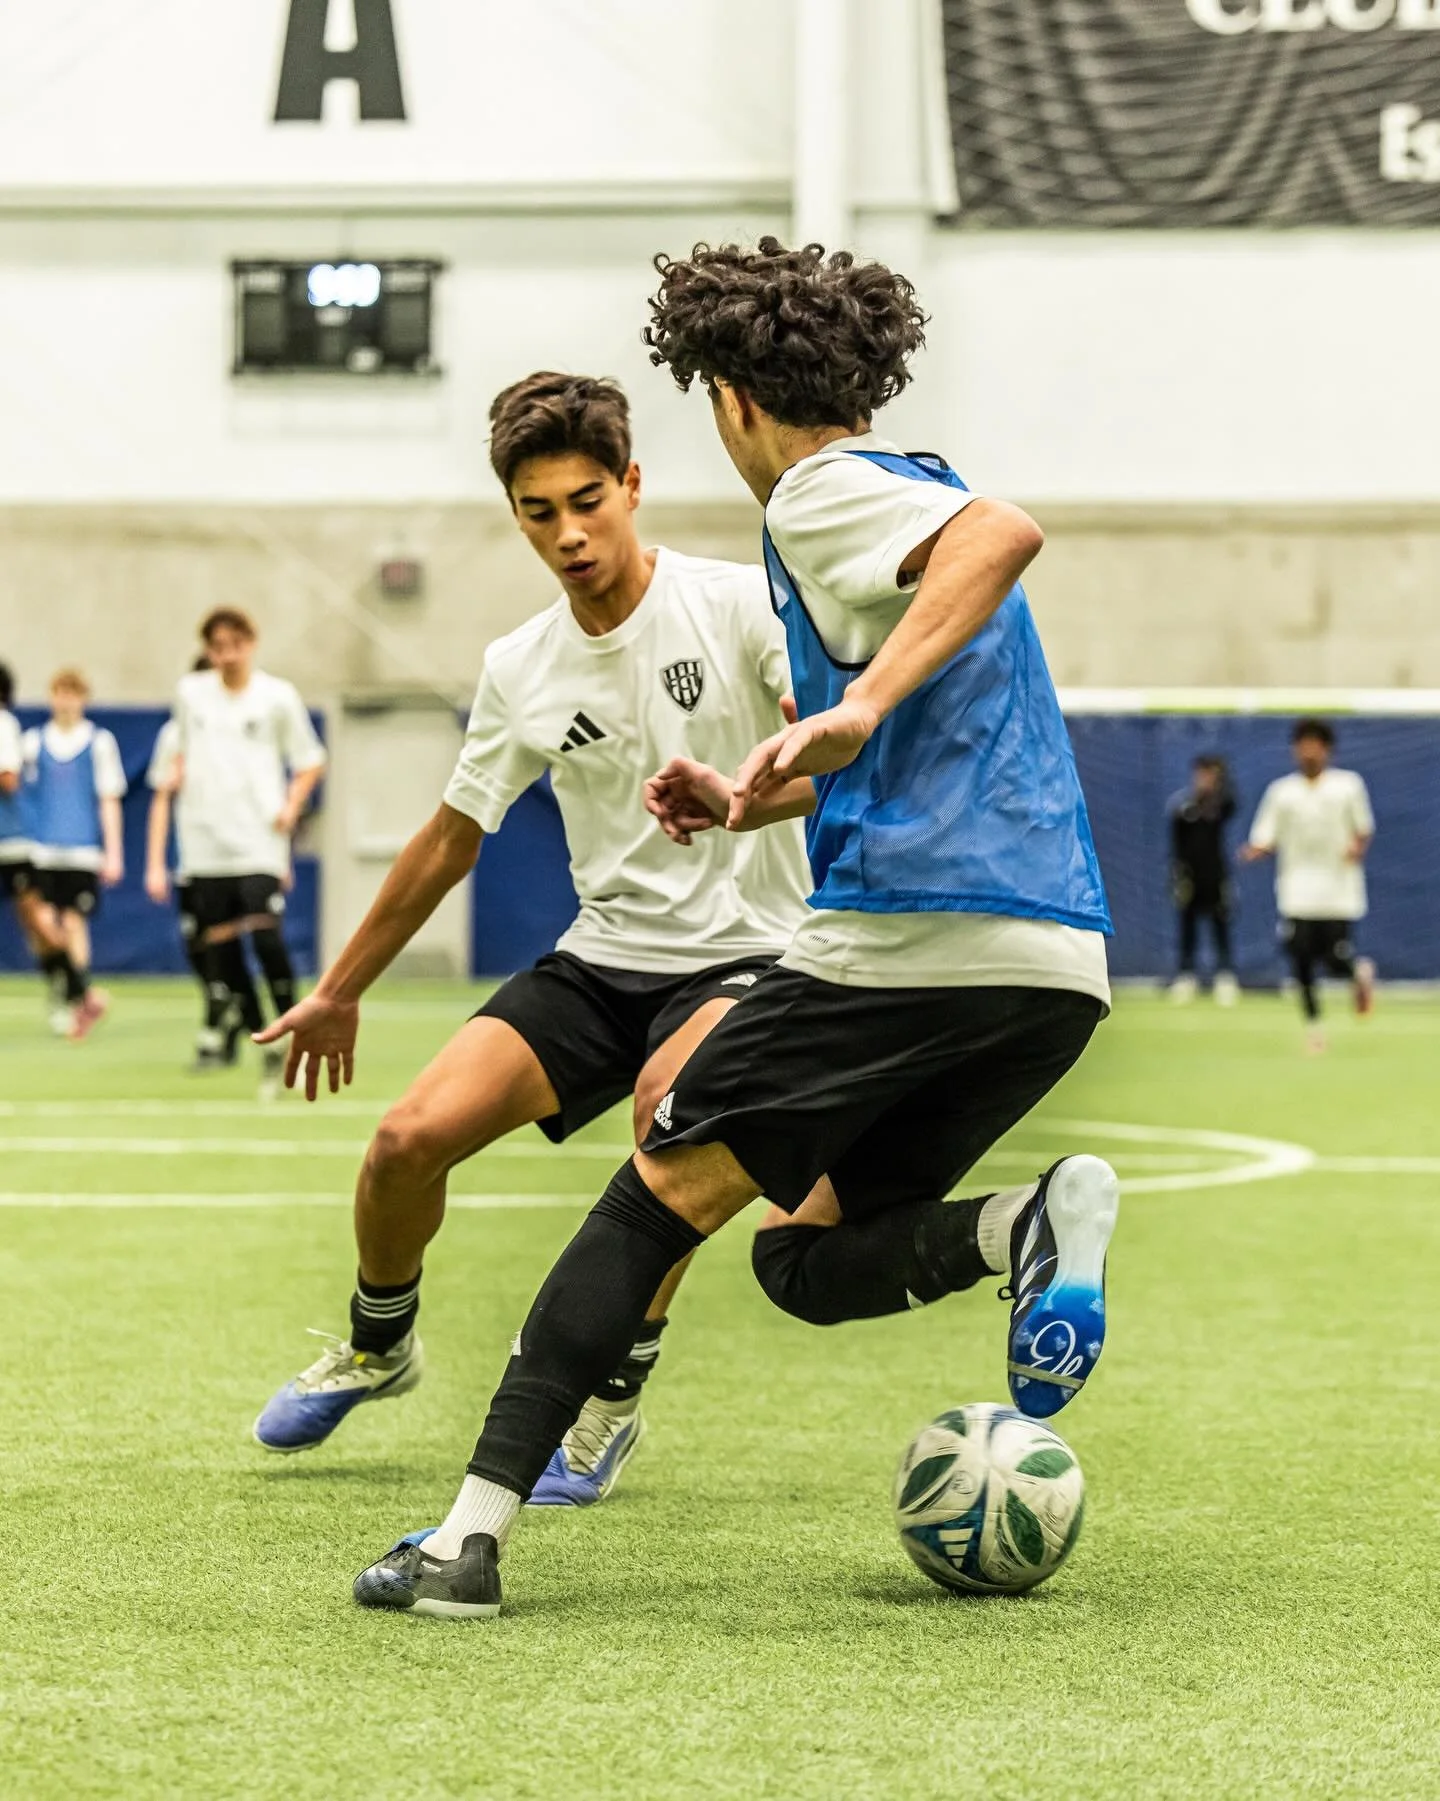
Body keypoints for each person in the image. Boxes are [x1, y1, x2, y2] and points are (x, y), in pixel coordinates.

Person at [350, 239, 1120, 1620]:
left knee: (655, 1191)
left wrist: (862, 701)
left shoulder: (824, 491)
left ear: (732, 403)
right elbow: (906, 707)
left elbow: (1005, 536)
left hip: (909, 934)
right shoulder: (899, 485)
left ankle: (466, 1542)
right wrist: (754, 791)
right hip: (1051, 958)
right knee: (803, 1258)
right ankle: (1021, 1229)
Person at [252, 371, 811, 1506]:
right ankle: (379, 1342)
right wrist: (339, 989)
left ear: (634, 485)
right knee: (404, 1142)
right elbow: (450, 839)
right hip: (604, 956)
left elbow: (835, 762)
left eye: (588, 499)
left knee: (672, 1115)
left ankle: (610, 1403)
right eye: (539, 511)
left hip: (749, 951)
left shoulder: (739, 604)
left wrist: (746, 800)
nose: (569, 533)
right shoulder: (522, 667)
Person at [165, 610, 325, 1090]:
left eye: (236, 643)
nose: (227, 653)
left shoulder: (278, 697)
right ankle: (267, 1042)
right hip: (204, 845)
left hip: (259, 843)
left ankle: (294, 1030)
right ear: (209, 650)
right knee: (222, 953)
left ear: (251, 643)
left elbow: (310, 760)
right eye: (218, 645)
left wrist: (291, 806)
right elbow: (183, 755)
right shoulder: (190, 695)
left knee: (266, 938)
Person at [1240, 718, 1375, 1052]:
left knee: (1333, 958)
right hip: (1296, 889)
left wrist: (1356, 848)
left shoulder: (1348, 786)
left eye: (1316, 744)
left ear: (1327, 749)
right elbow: (1265, 835)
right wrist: (1256, 850)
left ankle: (1357, 973)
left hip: (1338, 889)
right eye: (1303, 744)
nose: (1309, 751)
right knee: (1300, 956)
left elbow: (1363, 828)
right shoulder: (1281, 792)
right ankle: (1315, 1028)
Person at [22, 668, 124, 1040]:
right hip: (43, 849)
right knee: (43, 925)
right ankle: (71, 988)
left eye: (72, 693)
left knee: (73, 923)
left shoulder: (99, 743)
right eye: (58, 693)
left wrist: (113, 852)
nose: (65, 700)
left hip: (81, 850)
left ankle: (75, 999)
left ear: (83, 697)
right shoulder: (33, 742)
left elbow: (109, 799)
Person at [144, 656, 233, 1054]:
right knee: (196, 943)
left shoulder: (241, 730)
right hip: (191, 860)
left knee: (228, 943)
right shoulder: (174, 735)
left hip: (236, 858)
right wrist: (155, 863)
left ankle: (221, 1024)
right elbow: (161, 800)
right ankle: (223, 1010)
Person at [0, 663, 88, 1015]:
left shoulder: (4, 724)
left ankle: (78, 987)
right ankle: (71, 988)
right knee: (34, 923)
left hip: (12, 840)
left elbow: (9, 779)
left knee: (39, 919)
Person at [1167, 754, 1238, 1005]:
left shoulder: (1219, 805)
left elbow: (1232, 803)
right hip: (1190, 879)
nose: (1205, 778)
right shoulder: (1182, 807)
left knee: (1220, 926)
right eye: (1202, 773)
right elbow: (1176, 846)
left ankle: (1225, 977)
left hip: (1215, 876)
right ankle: (1187, 977)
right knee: (1188, 928)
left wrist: (1223, 777)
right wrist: (1177, 877)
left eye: (1210, 773)